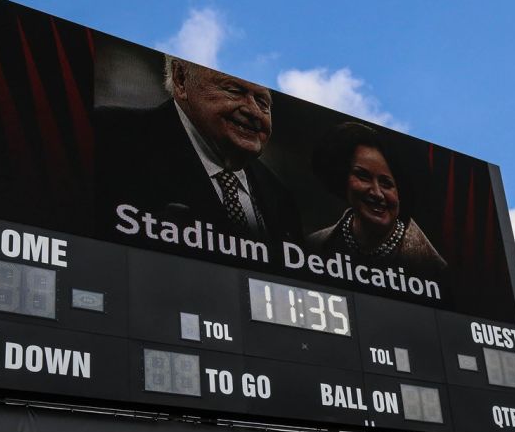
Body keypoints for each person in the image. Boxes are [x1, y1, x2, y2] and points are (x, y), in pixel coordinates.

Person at [93, 56, 302, 243]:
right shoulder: (108, 136)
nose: (254, 111)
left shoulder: (281, 197)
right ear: (181, 79)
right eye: (234, 91)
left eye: (262, 101)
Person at [307, 122, 447, 275]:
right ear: (342, 178)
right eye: (363, 176)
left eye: (386, 184)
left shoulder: (433, 268)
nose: (377, 193)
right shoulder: (313, 245)